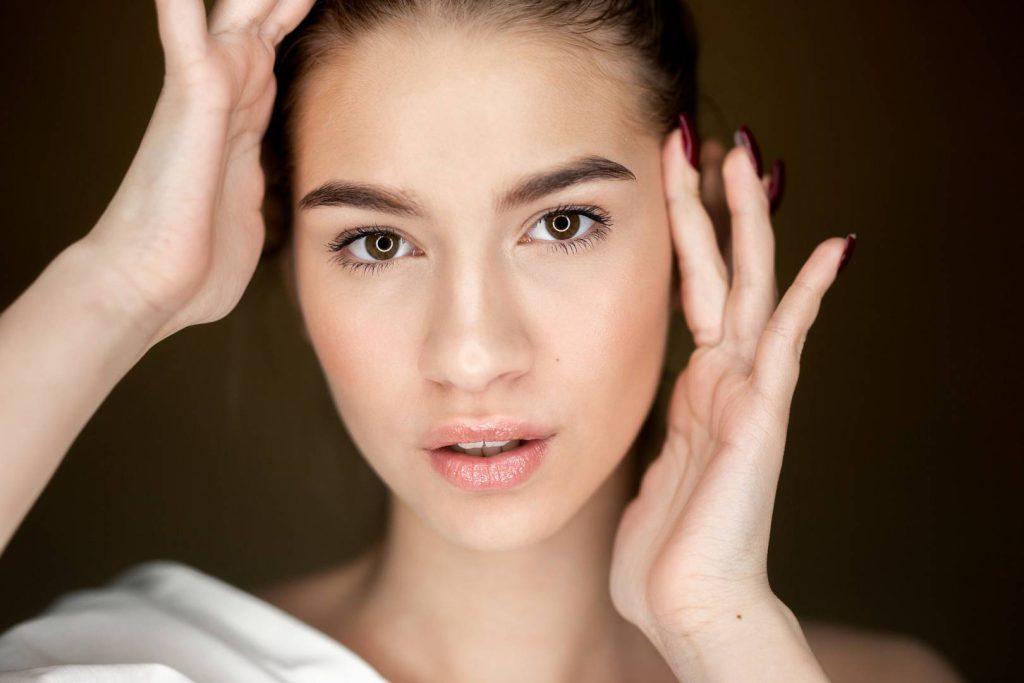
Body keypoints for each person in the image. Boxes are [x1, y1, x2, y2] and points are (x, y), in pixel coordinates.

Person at [0, 0, 963, 681]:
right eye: (378, 242)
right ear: (286, 262)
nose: (470, 353)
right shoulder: (147, 667)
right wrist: (120, 282)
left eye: (562, 223)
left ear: (698, 229)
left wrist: (724, 633)